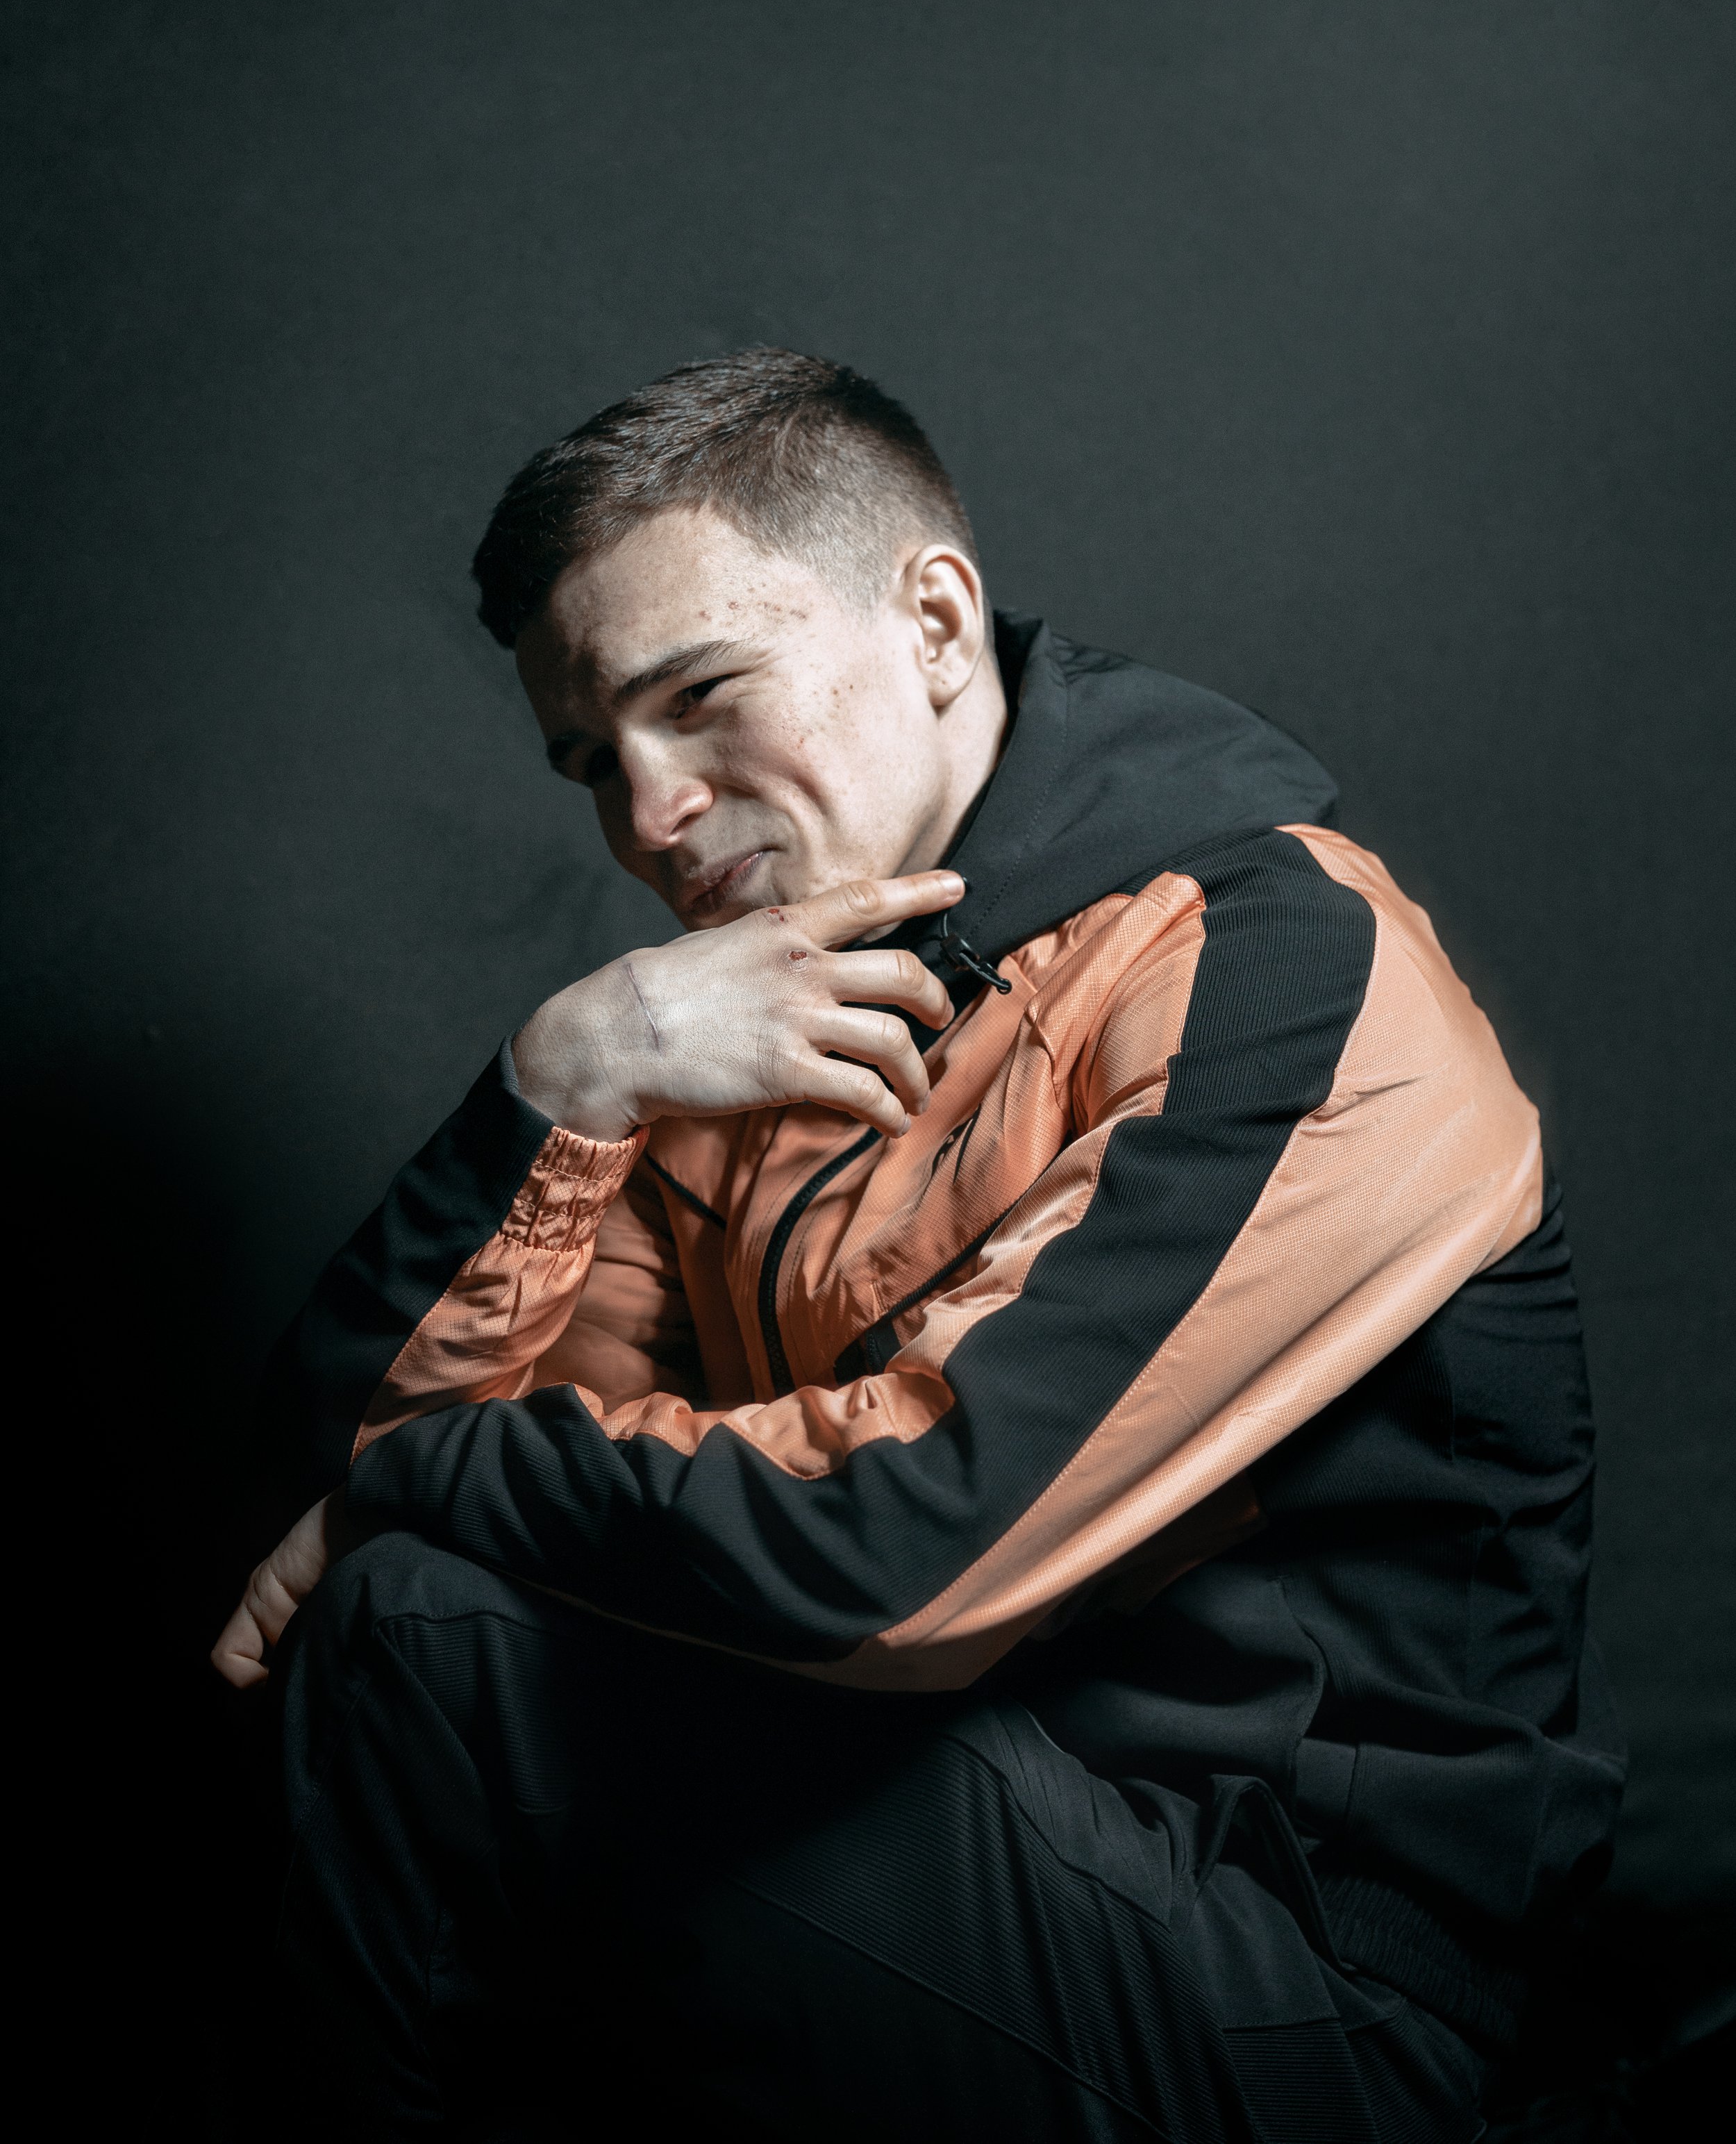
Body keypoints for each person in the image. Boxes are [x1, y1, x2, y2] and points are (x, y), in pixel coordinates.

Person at [215, 349, 1624, 2141]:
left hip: (1314, 1997)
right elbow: (317, 1488)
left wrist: (423, 1484)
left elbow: (888, 1554)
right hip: (915, 1855)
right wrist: (555, 1086)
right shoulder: (740, 1022)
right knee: (401, 1628)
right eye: (592, 760)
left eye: (702, 694)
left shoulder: (1283, 969)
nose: (645, 815)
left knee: (428, 1616)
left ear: (937, 621)